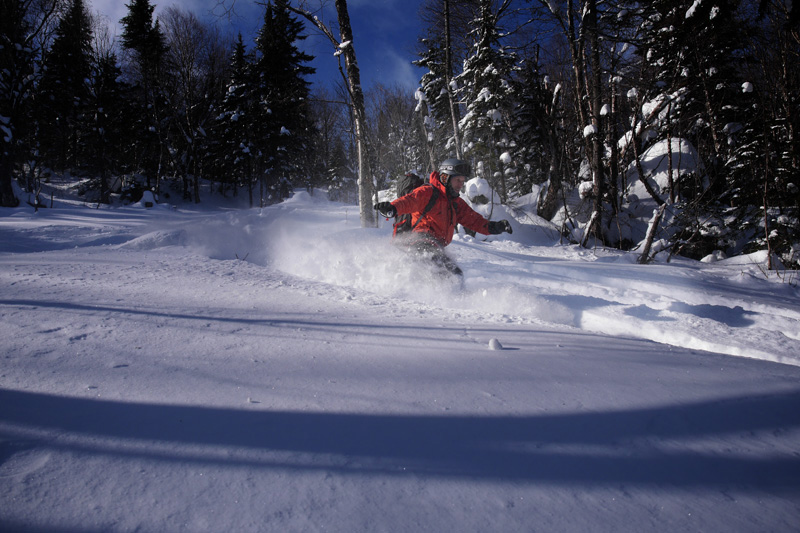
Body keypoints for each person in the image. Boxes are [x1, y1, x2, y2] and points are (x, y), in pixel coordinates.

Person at [374, 158, 512, 279]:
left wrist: (494, 227)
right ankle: (447, 302)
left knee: (452, 274)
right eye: (457, 180)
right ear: (446, 178)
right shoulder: (428, 192)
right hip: (420, 241)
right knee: (450, 273)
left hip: (435, 244)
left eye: (462, 181)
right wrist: (391, 209)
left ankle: (446, 300)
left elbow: (474, 220)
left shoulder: (455, 203)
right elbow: (409, 201)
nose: (460, 184)